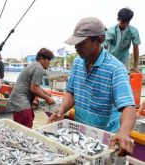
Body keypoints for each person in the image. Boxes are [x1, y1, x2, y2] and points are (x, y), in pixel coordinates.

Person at [48, 17, 136, 156]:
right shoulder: (77, 63)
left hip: (105, 140)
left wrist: (124, 133)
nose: (76, 47)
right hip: (79, 136)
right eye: (75, 43)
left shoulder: (115, 69)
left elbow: (128, 106)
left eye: (81, 43)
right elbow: (71, 92)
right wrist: (62, 109)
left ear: (99, 40)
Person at [7, 48, 55, 128]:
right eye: (49, 60)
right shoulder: (39, 68)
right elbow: (34, 89)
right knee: (26, 127)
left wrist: (46, 93)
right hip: (21, 102)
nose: (50, 63)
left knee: (24, 123)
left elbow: (35, 85)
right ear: (41, 59)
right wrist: (48, 99)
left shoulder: (34, 65)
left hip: (16, 100)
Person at [103, 8, 141, 72]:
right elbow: (104, 46)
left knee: (124, 74)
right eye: (123, 22)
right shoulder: (111, 31)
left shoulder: (134, 31)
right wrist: (103, 61)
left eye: (127, 22)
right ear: (118, 19)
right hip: (111, 56)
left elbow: (136, 47)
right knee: (110, 74)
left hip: (124, 57)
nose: (125, 24)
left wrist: (135, 66)